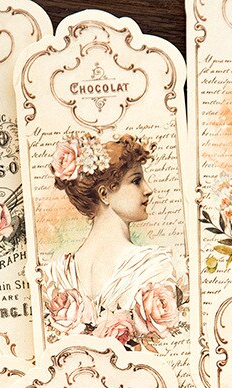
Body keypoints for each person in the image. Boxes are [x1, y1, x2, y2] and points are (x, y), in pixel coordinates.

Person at [42, 134, 182, 343]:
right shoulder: (156, 264)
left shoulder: (55, 272)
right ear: (104, 194)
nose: (148, 190)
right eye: (136, 181)